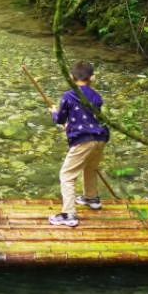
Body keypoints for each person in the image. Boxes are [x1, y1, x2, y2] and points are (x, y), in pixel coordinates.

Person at [49, 62, 110, 227]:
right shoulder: (97, 97)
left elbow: (61, 119)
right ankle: (92, 198)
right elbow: (90, 117)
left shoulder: (69, 96)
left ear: (71, 78)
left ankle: (69, 214)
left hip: (83, 140)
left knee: (67, 175)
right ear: (92, 78)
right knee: (90, 167)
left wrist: (54, 112)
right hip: (101, 138)